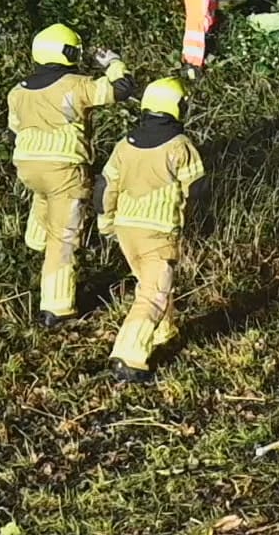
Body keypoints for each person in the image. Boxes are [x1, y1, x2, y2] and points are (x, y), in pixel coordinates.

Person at [7, 24, 135, 328]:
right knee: (63, 238)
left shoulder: (17, 91)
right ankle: (57, 308)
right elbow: (121, 89)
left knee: (44, 196)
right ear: (68, 52)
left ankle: (34, 243)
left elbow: (14, 130)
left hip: (28, 167)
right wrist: (113, 62)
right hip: (65, 167)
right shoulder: (77, 85)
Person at [98, 77, 205, 383]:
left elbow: (105, 186)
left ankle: (164, 332)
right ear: (178, 107)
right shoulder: (181, 146)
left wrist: (106, 222)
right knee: (153, 294)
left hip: (126, 229)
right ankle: (128, 356)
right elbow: (197, 189)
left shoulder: (124, 146)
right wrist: (195, 220)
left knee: (151, 283)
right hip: (158, 231)